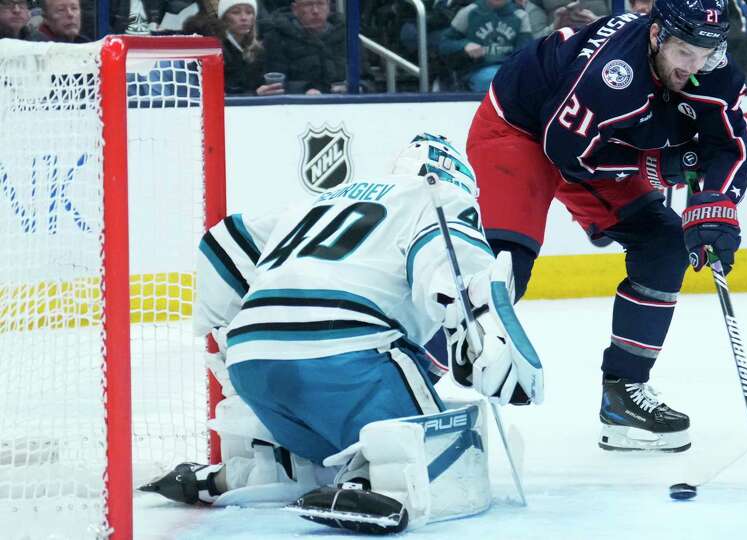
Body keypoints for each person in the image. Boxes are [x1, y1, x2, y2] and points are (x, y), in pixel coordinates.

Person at [138, 134, 544, 534]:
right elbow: (457, 271)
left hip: (252, 361)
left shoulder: (317, 200)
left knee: (311, 437)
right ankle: (372, 480)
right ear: (457, 179)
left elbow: (221, 243)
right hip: (344, 351)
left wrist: (226, 331)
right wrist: (479, 339)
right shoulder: (437, 197)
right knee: (421, 437)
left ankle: (255, 470)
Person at [466, 0, 747, 452]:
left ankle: (623, 399)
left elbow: (730, 148)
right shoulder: (612, 76)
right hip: (519, 130)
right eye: (684, 53)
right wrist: (659, 168)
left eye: (708, 52)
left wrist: (716, 205)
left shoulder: (711, 67)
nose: (695, 67)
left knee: (664, 247)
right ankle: (410, 381)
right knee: (502, 268)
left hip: (601, 139)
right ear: (657, 35)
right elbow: (566, 153)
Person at [438, 0, 532, 92]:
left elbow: (524, 52)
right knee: (496, 80)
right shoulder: (469, 12)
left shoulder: (520, 15)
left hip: (509, 70)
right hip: (477, 70)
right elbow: (444, 44)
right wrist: (464, 45)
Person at [263, 0, 347, 94]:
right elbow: (275, 82)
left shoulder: (346, 35)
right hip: (295, 105)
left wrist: (357, 87)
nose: (315, 11)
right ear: (295, 9)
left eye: (320, 3)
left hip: (348, 103)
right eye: (308, 4)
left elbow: (365, 78)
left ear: (329, 7)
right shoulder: (277, 37)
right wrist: (304, 90)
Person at [216, 0, 285, 95]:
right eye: (236, 12)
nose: (244, 18)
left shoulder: (258, 50)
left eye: (249, 12)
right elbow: (220, 95)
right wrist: (255, 94)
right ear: (224, 18)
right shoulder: (216, 52)